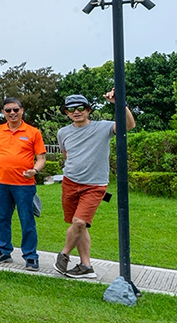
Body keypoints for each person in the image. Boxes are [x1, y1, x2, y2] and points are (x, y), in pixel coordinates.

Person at [55, 91, 135, 279]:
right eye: (71, 109)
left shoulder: (103, 127)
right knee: (79, 225)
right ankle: (86, 266)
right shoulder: (62, 132)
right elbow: (67, 155)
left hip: (95, 185)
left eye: (80, 108)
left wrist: (120, 102)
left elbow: (129, 125)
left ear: (88, 110)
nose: (76, 112)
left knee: (79, 222)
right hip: (70, 182)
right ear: (66, 112)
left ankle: (64, 254)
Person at [0, 97, 46, 271]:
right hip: (1, 184)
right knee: (3, 219)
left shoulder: (33, 132)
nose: (12, 113)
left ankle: (30, 256)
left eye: (15, 109)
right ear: (3, 112)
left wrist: (35, 171)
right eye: (8, 110)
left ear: (22, 110)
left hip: (24, 185)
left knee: (27, 221)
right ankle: (4, 251)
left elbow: (41, 158)